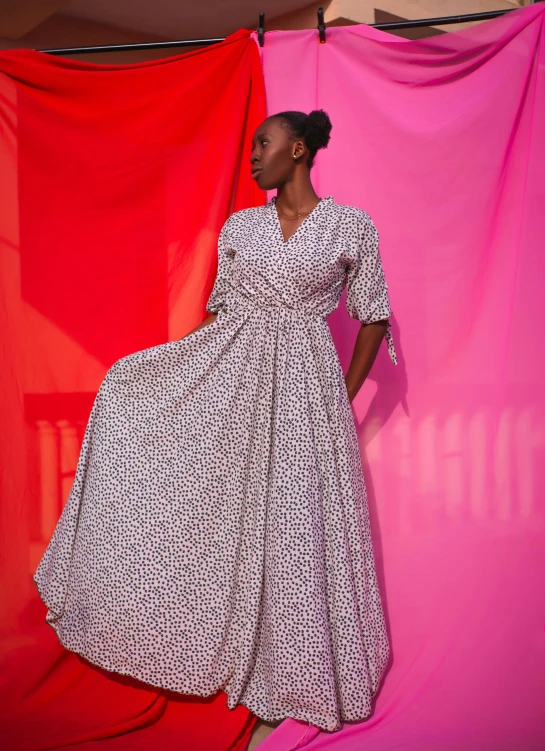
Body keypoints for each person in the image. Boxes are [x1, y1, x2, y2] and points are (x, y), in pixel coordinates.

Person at [33, 108, 397, 749]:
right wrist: (158, 374)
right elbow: (220, 319)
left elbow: (372, 317)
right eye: (253, 144)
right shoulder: (241, 228)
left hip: (310, 402)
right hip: (236, 393)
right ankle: (235, 656)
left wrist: (341, 396)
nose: (254, 155)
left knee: (296, 535)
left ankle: (296, 674)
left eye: (265, 143)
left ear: (301, 149)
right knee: (231, 521)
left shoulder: (351, 227)